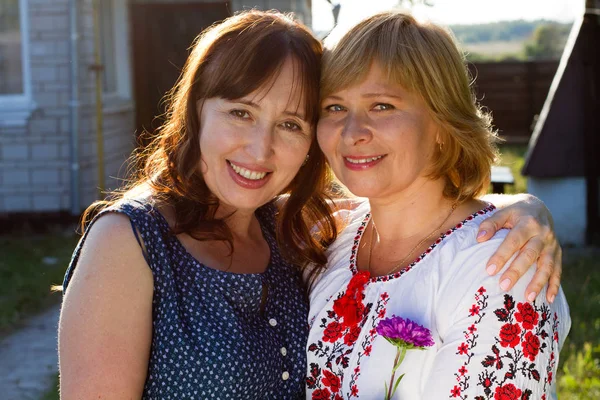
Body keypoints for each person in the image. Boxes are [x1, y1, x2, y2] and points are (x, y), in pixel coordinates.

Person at [59, 10, 560, 400]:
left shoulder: (504, 263)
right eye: (334, 108)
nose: (260, 150)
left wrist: (519, 206)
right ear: (195, 113)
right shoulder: (137, 239)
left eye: (293, 123)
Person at [305, 11, 570, 400]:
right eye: (334, 107)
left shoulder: (504, 266)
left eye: (382, 105)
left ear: (443, 124)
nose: (352, 132)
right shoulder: (332, 240)